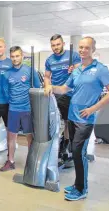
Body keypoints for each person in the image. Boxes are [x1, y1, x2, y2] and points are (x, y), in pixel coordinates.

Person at [45, 36, 109, 201]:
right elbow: (65, 88)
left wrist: (93, 108)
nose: (83, 50)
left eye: (86, 48)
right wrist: (50, 86)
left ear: (93, 49)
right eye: (81, 47)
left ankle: (82, 189)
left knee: (78, 152)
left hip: (85, 119)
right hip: (73, 117)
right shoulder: (76, 70)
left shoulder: (101, 69)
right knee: (75, 153)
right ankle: (77, 184)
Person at [0, 46, 41, 172]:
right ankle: (10, 161)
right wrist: (13, 101)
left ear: (22, 56)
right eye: (12, 56)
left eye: (17, 56)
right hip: (13, 109)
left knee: (30, 136)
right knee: (11, 136)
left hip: (27, 109)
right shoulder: (7, 74)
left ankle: (30, 162)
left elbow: (37, 88)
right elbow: (6, 92)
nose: (15, 58)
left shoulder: (30, 71)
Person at [44, 34, 81, 163]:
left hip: (70, 93)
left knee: (68, 122)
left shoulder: (73, 55)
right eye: (53, 45)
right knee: (55, 121)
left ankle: (68, 148)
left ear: (63, 44)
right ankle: (60, 145)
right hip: (56, 93)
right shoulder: (49, 60)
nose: (56, 47)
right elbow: (47, 76)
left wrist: (74, 70)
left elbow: (81, 72)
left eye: (58, 44)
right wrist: (47, 87)